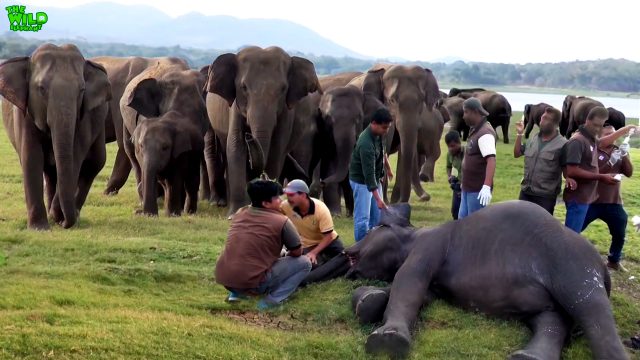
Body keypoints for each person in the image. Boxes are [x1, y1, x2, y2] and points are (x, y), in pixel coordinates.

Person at [215, 179, 311, 310]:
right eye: (277, 198)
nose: (281, 200)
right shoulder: (282, 221)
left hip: (226, 279)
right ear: (266, 203)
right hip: (253, 283)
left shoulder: (240, 213)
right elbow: (297, 252)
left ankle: (236, 294)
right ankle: (271, 302)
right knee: (305, 262)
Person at [581, 124, 636, 271]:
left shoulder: (619, 150)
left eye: (614, 134)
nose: (613, 137)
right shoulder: (593, 151)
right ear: (600, 136)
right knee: (575, 227)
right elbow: (595, 174)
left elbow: (629, 172)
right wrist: (610, 161)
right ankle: (564, 253)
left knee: (620, 231)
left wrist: (624, 156)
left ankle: (614, 260)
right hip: (592, 200)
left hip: (613, 201)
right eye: (608, 134)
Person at [562, 106, 618, 233]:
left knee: (574, 234)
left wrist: (624, 131)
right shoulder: (577, 141)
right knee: (571, 235)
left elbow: (602, 142)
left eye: (601, 126)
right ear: (587, 120)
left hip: (586, 196)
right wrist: (601, 177)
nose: (597, 129)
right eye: (595, 125)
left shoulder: (590, 138)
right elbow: (572, 170)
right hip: (577, 196)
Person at [513, 106, 573, 214]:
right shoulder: (534, 139)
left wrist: (570, 179)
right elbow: (517, 153)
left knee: (541, 228)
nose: (541, 122)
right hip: (526, 192)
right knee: (520, 224)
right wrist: (519, 134)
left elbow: (567, 171)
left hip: (545, 196)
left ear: (555, 124)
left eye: (546, 119)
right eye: (541, 118)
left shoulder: (563, 144)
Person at [280, 179, 344, 268]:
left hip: (329, 241)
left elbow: (328, 236)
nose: (288, 198)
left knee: (344, 258)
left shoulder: (320, 209)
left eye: (291, 195)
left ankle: (323, 258)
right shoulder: (284, 206)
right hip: (307, 243)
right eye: (286, 194)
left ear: (303, 195)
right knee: (311, 264)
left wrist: (314, 252)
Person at [349, 108, 392, 241]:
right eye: (384, 127)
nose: (386, 131)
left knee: (377, 217)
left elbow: (382, 151)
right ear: (374, 123)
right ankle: (360, 248)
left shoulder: (378, 134)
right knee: (363, 218)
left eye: (388, 127)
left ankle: (372, 245)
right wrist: (379, 199)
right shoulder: (365, 143)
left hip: (374, 179)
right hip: (362, 182)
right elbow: (368, 175)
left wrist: (388, 168)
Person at [458, 97, 496, 219]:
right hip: (468, 187)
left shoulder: (485, 133)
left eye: (466, 112)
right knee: (462, 222)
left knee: (474, 227)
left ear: (475, 112)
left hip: (477, 190)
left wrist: (486, 186)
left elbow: (491, 160)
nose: (463, 116)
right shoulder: (475, 129)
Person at [444, 130, 464, 219]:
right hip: (457, 185)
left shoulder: (468, 153)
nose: (450, 149)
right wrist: (449, 176)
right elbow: (448, 166)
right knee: (455, 211)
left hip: (468, 185)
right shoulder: (449, 154)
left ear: (459, 143)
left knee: (466, 212)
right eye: (448, 146)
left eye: (453, 146)